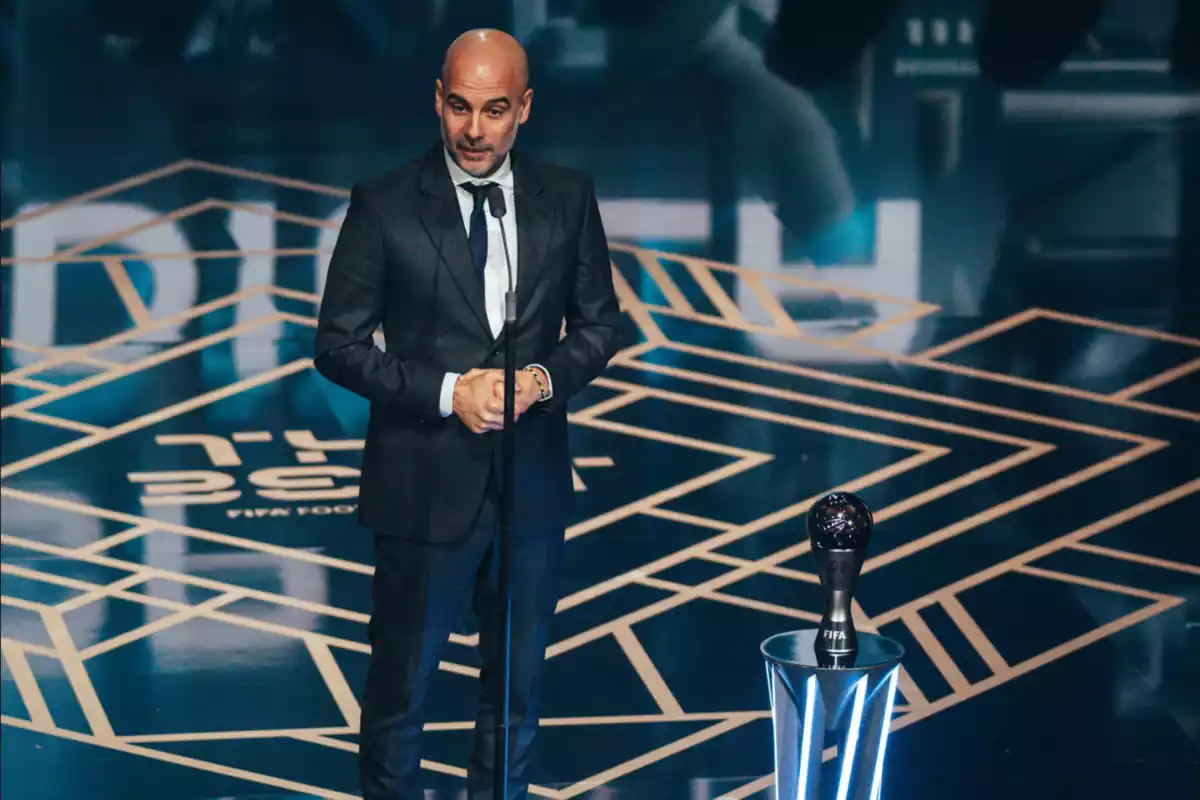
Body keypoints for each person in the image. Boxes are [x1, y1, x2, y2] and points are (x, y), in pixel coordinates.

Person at [312, 27, 624, 800]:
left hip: (533, 490)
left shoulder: (569, 197)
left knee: (514, 699)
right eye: (459, 107)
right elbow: (338, 345)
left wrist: (542, 382)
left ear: (525, 108)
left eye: (493, 110)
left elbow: (598, 326)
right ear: (437, 102)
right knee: (398, 702)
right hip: (421, 490)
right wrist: (453, 391)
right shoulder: (383, 205)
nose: (474, 130)